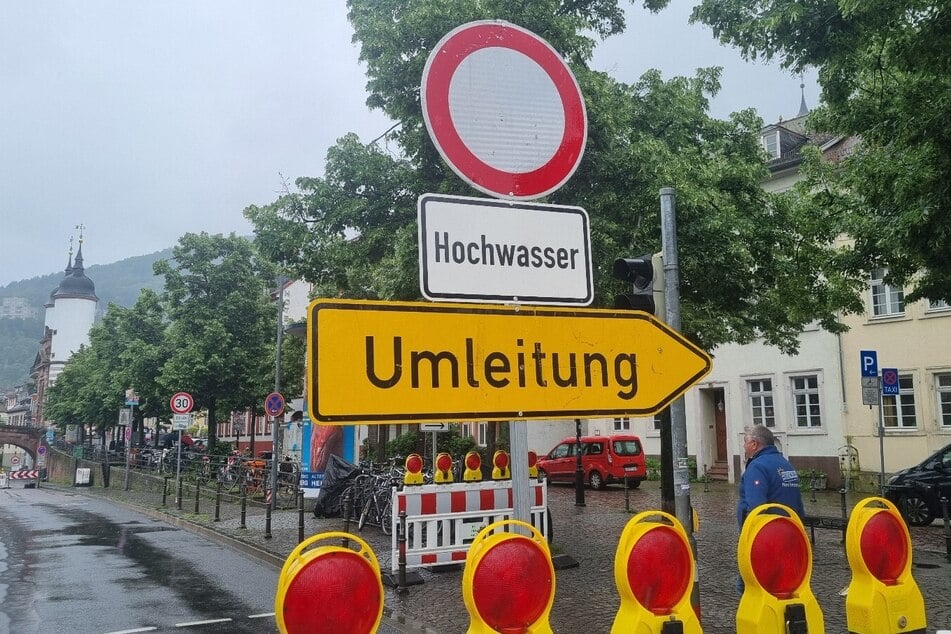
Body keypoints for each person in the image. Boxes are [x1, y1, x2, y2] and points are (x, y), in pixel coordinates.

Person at [736, 424, 804, 593]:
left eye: (745, 442)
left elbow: (756, 507)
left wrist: (751, 537)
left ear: (754, 444)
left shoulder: (757, 467)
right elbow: (796, 500)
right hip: (790, 531)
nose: (744, 446)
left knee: (751, 584)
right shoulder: (784, 464)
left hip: (765, 537)